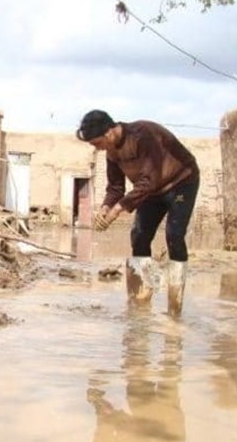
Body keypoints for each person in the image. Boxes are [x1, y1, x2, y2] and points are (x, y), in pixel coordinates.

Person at [76, 110, 199, 314]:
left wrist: (117, 210)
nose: (97, 149)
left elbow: (149, 179)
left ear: (108, 133)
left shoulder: (144, 135)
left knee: (174, 235)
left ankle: (175, 307)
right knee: (139, 237)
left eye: (96, 143)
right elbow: (115, 187)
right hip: (150, 191)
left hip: (180, 184)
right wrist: (106, 206)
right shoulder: (111, 153)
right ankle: (141, 304)